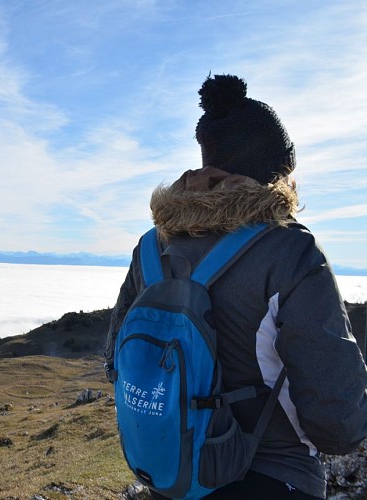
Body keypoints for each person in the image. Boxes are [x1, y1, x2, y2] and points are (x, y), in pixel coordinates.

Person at [103, 74, 367, 499]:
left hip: (174, 473)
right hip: (273, 477)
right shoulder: (290, 250)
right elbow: (337, 423)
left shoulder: (153, 246)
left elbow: (115, 359)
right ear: (274, 171)